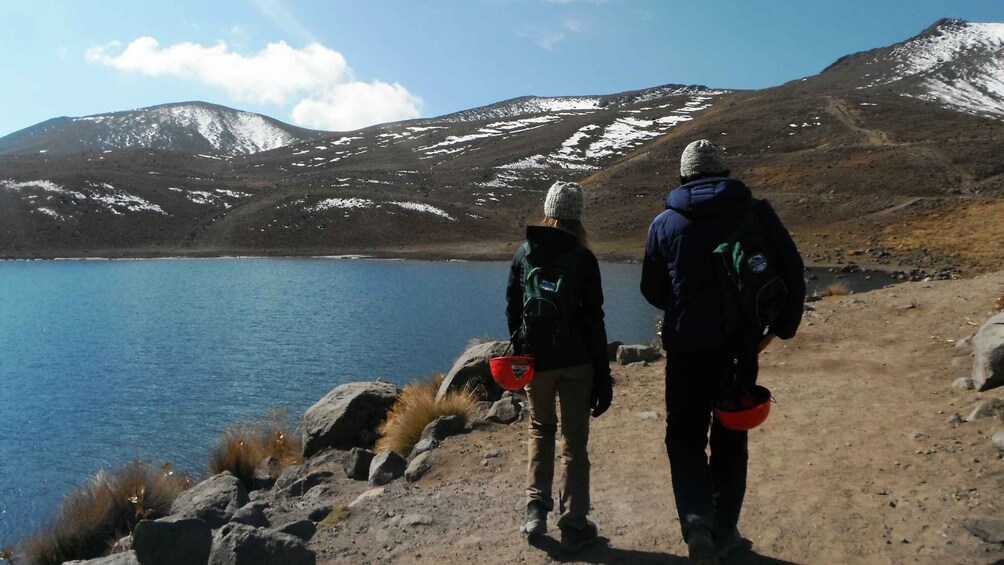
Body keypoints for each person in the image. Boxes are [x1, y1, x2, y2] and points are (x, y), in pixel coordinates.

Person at [640, 140, 805, 564]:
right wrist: (780, 330)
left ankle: (697, 525)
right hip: (740, 346)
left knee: (685, 437)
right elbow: (793, 267)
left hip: (686, 349)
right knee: (731, 435)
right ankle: (726, 529)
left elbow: (652, 290)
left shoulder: (664, 223)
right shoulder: (756, 212)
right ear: (723, 171)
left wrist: (682, 303)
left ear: (683, 176)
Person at [506, 180, 614, 554]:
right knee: (574, 444)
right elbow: (594, 320)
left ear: (548, 211)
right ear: (577, 216)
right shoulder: (584, 258)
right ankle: (574, 522)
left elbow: (512, 308)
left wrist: (522, 354)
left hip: (537, 364)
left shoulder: (524, 253)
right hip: (578, 364)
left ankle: (536, 509)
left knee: (540, 430)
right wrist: (603, 375)